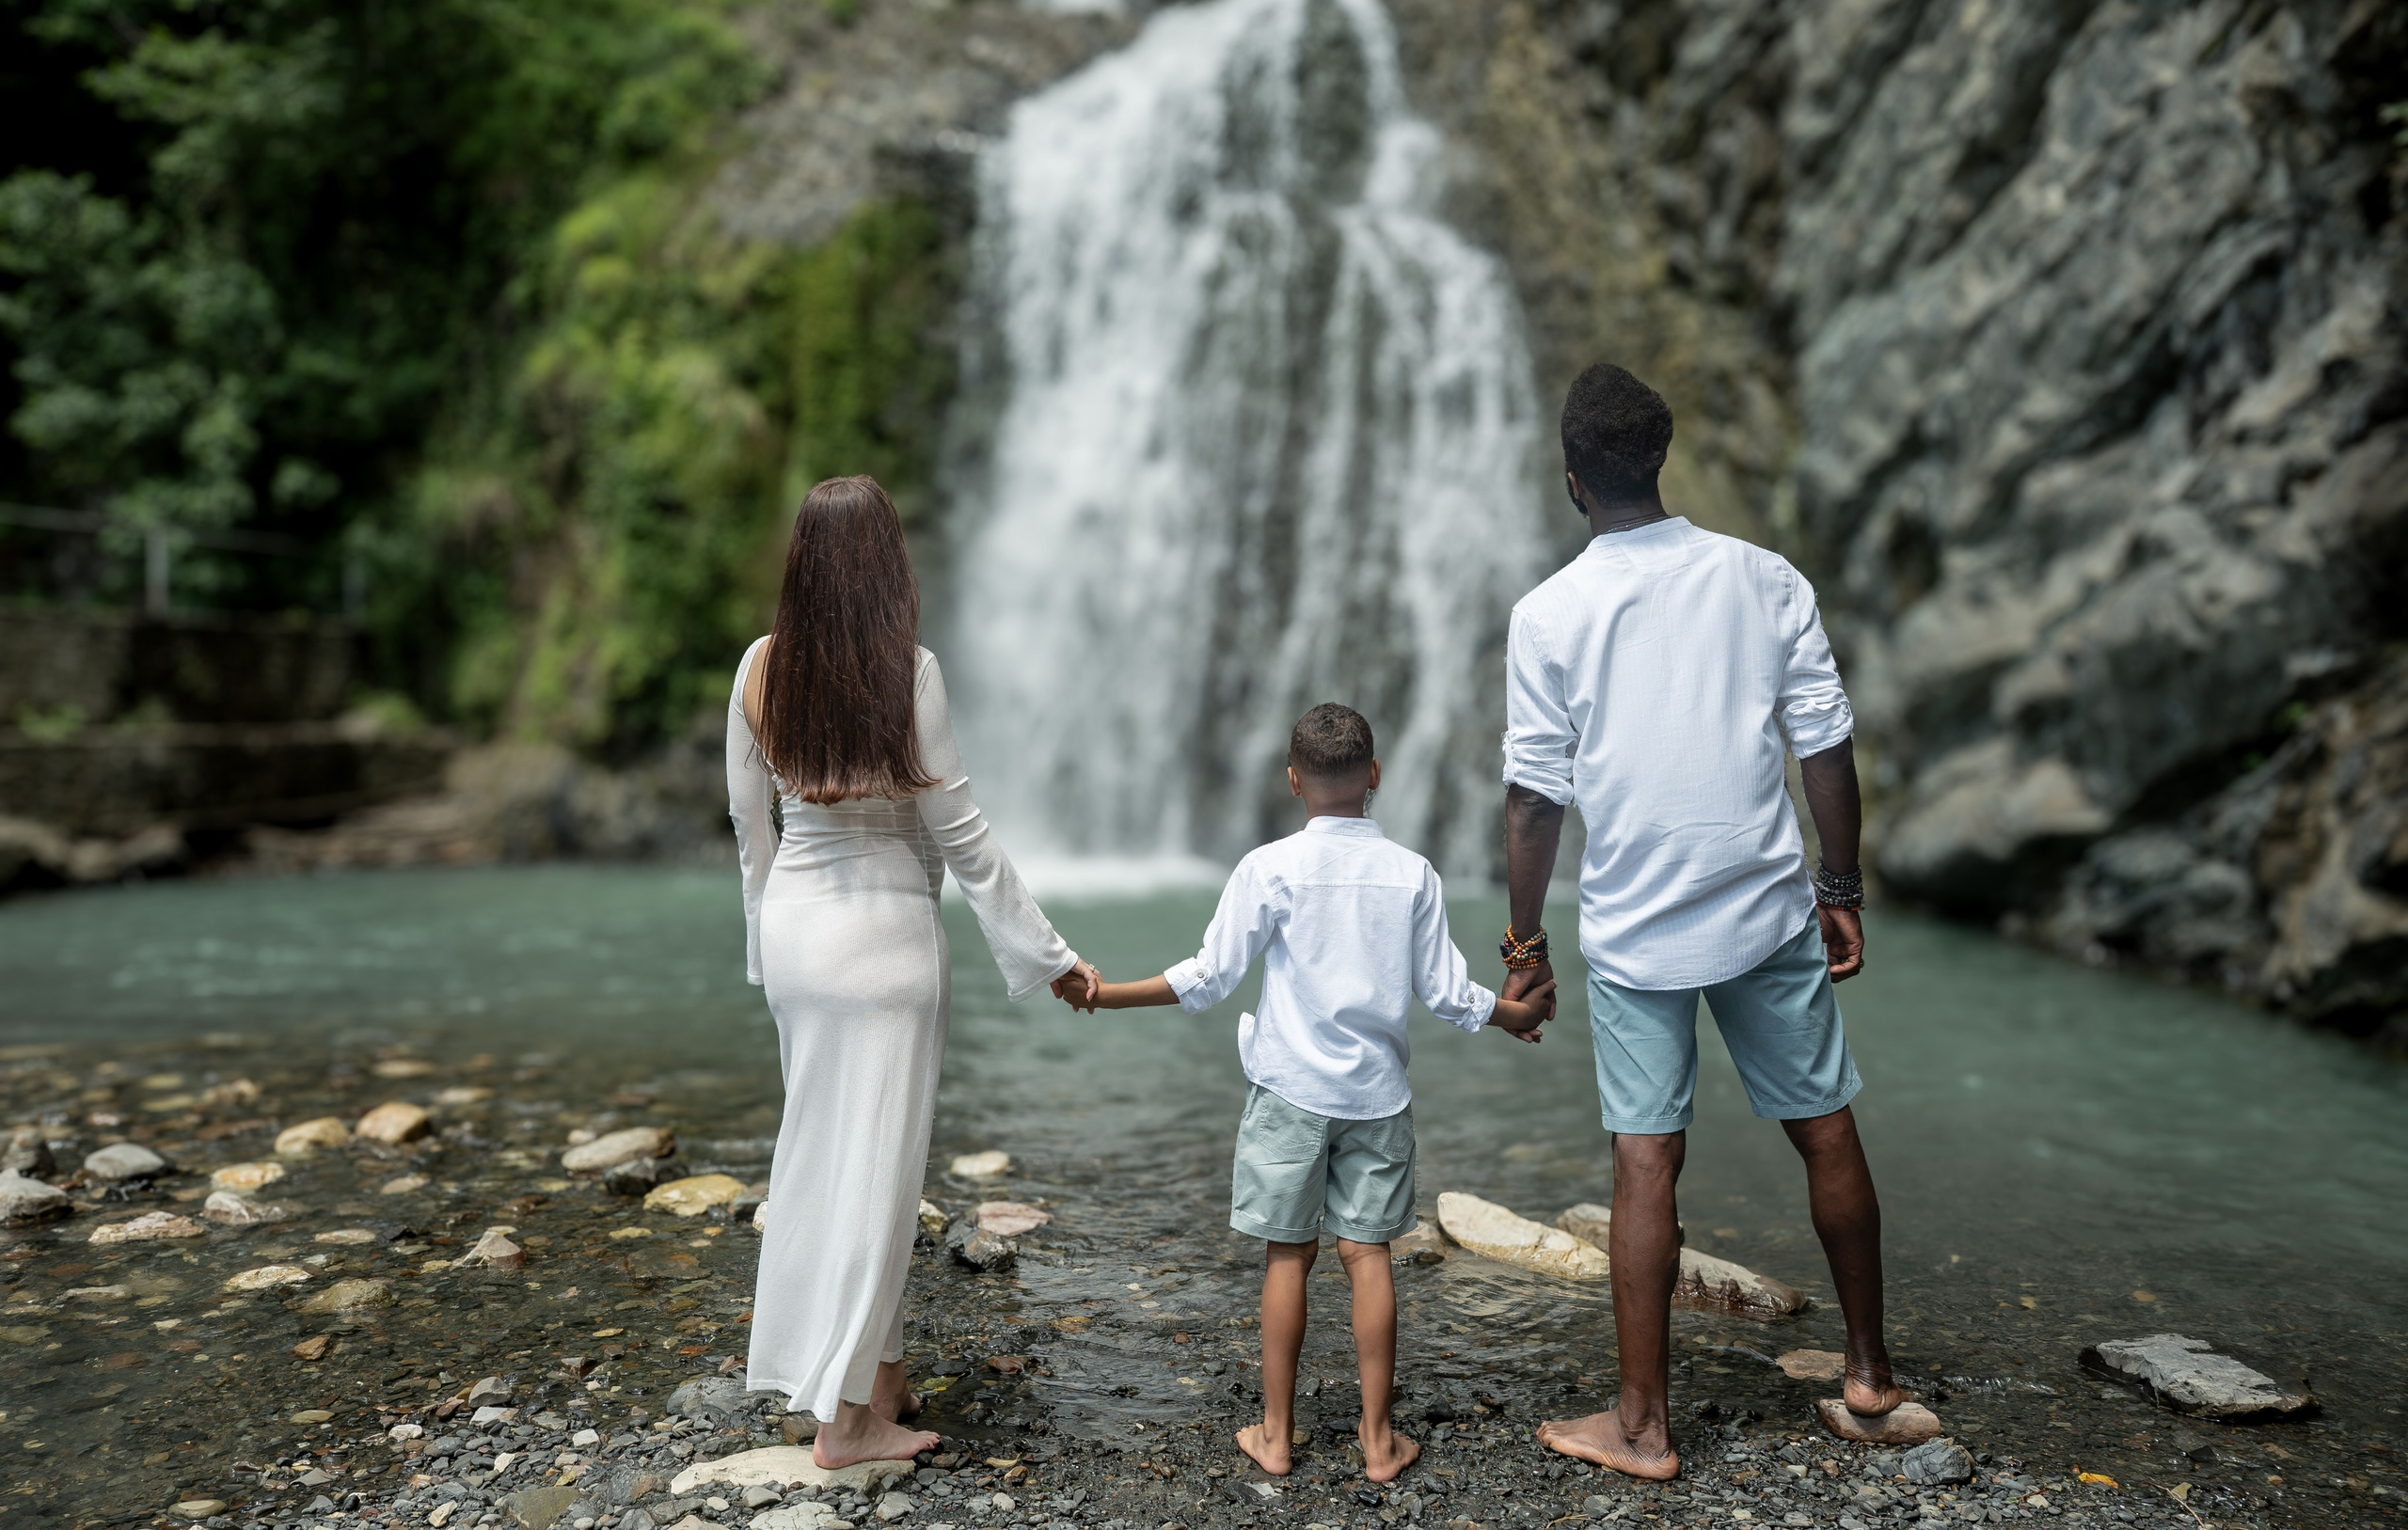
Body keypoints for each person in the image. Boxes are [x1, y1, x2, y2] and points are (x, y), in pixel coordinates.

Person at [1500, 365, 1899, 1481]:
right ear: (1660, 458)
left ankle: (1642, 1425)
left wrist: (1524, 944)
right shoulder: (1764, 576)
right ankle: (1869, 1372)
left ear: (1573, 477)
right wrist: (1839, 887)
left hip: (1635, 930)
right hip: (1767, 905)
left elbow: (1534, 798)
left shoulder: (1548, 612)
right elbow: (1823, 740)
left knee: (1645, 1160)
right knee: (1824, 1125)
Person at [1059, 703, 1552, 1484]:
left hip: (1289, 1090)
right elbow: (1445, 992)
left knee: (1288, 1256)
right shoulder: (1413, 873)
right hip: (1377, 1098)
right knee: (1369, 1255)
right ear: (1376, 775)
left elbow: (1209, 976)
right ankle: (1380, 1442)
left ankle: (1277, 1435)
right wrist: (1515, 1014)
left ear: (1293, 781)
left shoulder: (1269, 868)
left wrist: (1107, 995)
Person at [726, 475, 1101, 1466]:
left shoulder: (759, 667)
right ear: (887, 566)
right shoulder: (910, 672)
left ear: (802, 565)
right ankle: (844, 1425)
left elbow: (751, 827)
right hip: (886, 946)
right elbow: (959, 836)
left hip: (800, 940)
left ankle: (877, 1381)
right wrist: (1051, 956)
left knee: (825, 1158)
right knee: (878, 1176)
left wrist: (765, 948)